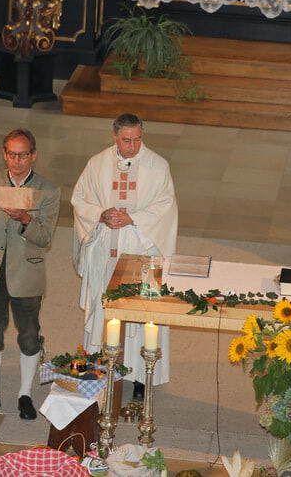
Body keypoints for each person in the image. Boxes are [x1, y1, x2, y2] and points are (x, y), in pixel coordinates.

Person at [71, 113, 178, 399]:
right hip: (105, 247)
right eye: (126, 140)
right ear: (115, 137)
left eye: (137, 140)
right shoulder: (97, 164)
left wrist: (133, 218)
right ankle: (99, 369)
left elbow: (166, 207)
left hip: (142, 247)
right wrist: (100, 214)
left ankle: (141, 377)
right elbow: (80, 199)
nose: (133, 147)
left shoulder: (158, 166)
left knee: (142, 309)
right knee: (103, 305)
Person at [0, 129, 59, 420]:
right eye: (11, 154)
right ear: (4, 154)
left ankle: (25, 394)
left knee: (30, 336)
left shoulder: (48, 190)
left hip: (27, 272)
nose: (16, 161)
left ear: (33, 155)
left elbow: (45, 238)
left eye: (22, 155)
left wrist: (25, 219)